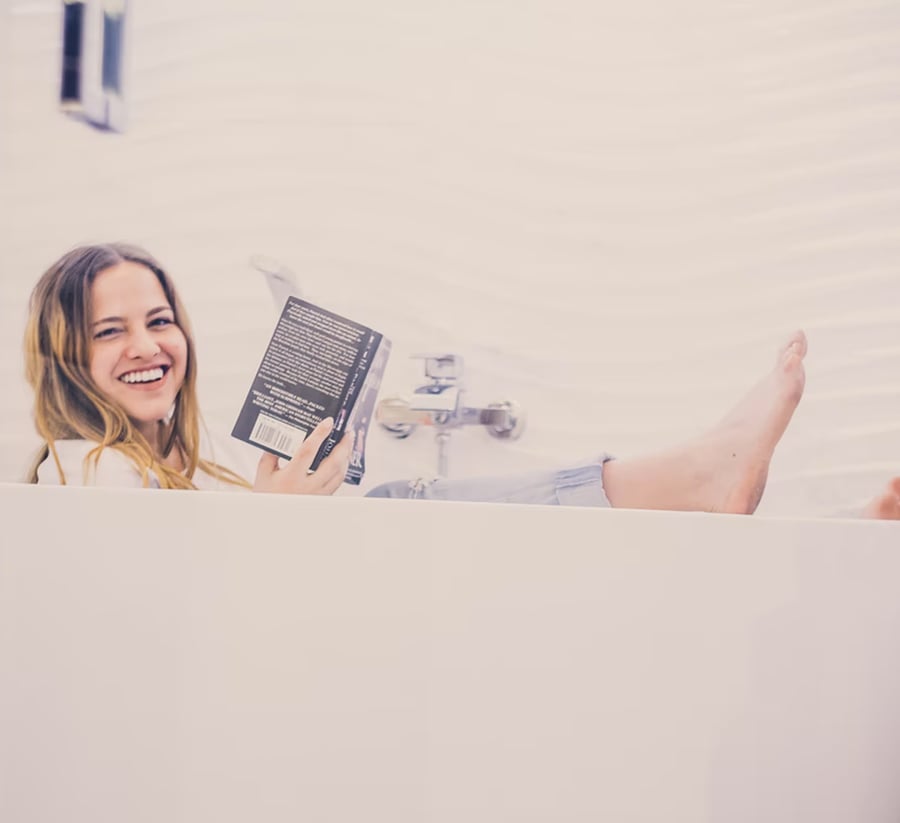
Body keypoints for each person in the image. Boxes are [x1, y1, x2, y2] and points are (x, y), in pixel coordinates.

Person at [22, 242, 897, 518]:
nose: (148, 345)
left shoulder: (164, 465)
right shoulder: (83, 472)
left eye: (160, 319)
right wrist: (277, 519)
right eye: (111, 331)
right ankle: (707, 478)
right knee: (419, 510)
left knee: (420, 505)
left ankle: (765, 511)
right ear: (66, 354)